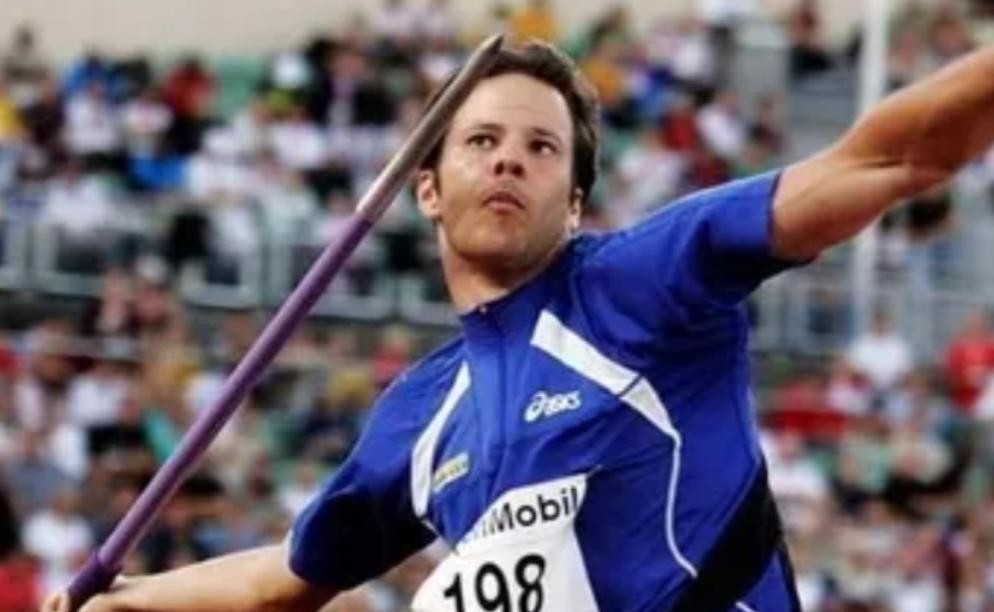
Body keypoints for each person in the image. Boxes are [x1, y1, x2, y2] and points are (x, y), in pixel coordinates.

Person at [45, 39, 994, 611]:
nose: (509, 161)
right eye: (482, 141)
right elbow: (283, 583)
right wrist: (126, 600)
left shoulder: (644, 281)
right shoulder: (418, 417)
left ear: (574, 203)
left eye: (542, 148)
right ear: (427, 188)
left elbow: (892, 158)